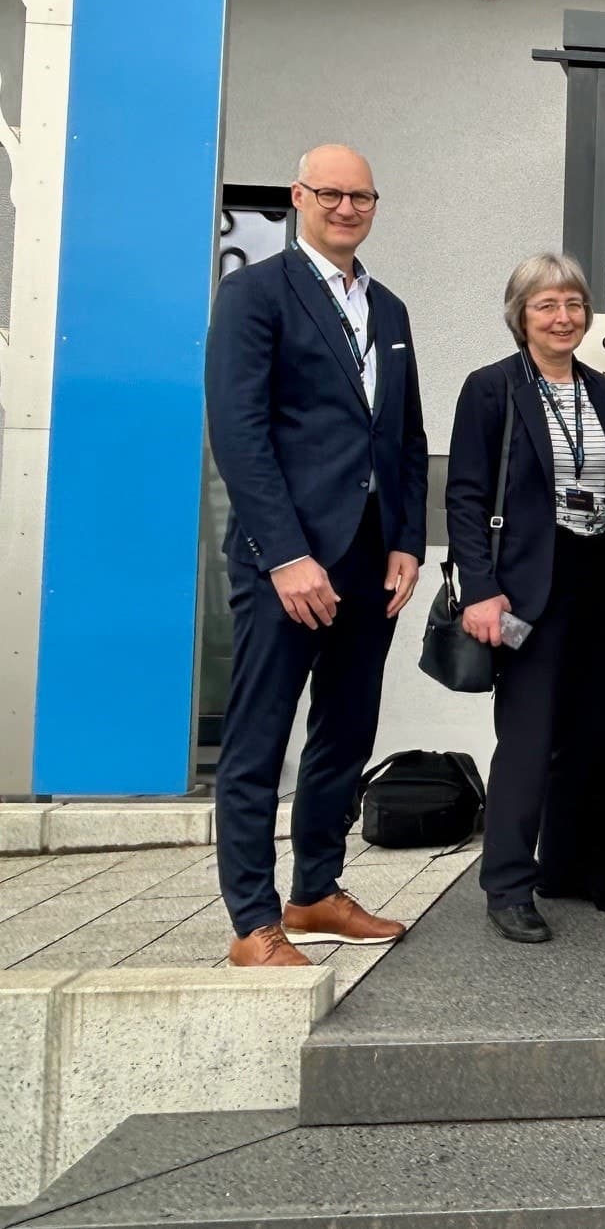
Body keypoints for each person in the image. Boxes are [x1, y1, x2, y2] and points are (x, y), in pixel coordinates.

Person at [203, 144, 426, 967]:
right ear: (299, 197)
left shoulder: (390, 308)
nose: (346, 207)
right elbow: (241, 432)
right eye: (330, 193)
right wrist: (285, 556)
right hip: (287, 561)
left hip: (371, 562)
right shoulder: (255, 293)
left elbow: (403, 434)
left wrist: (406, 541)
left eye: (361, 195)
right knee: (261, 736)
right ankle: (252, 922)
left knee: (345, 730)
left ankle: (316, 892)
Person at [446, 253, 605, 944]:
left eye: (574, 305)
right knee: (526, 740)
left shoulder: (603, 393)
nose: (563, 318)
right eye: (547, 305)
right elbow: (464, 495)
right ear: (520, 314)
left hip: (597, 584)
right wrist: (481, 591)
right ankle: (508, 887)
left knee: (588, 736)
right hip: (526, 587)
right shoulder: (492, 388)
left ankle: (568, 869)